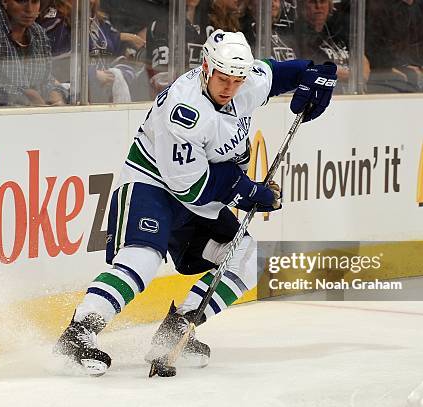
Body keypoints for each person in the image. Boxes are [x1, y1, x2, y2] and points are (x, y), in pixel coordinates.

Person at [54, 29, 337, 377]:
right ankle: (79, 332)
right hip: (153, 186)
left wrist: (315, 71)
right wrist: (245, 192)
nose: (230, 87)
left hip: (199, 196)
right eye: (223, 78)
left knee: (246, 257)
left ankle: (177, 331)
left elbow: (277, 73)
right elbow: (192, 187)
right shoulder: (185, 111)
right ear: (206, 66)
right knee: (142, 258)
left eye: (237, 79)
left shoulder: (242, 81)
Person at [0, 0, 66, 106]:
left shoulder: (38, 33)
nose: (29, 9)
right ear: (5, 1)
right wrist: (25, 96)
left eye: (35, 2)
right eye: (21, 1)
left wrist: (55, 93)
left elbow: (47, 79)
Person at [365, 0, 423, 93]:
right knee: (410, 76)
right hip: (399, 73)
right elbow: (373, 48)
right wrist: (402, 66)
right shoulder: (378, 6)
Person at [296, 0, 369, 93]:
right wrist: (355, 77)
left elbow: (361, 58)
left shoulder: (335, 31)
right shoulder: (299, 35)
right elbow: (318, 69)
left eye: (323, 2)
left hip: (353, 95)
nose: (318, 6)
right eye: (312, 2)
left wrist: (359, 76)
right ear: (302, 7)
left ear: (330, 6)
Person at [145, 0, 209, 96]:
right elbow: (160, 78)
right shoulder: (161, 25)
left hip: (203, 96)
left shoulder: (211, 25)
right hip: (174, 96)